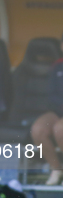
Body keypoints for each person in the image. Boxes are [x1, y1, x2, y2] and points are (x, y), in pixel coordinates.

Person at [30, 34, 63, 185]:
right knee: (38, 129)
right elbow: (51, 95)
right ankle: (56, 169)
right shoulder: (57, 66)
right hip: (57, 110)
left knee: (60, 129)